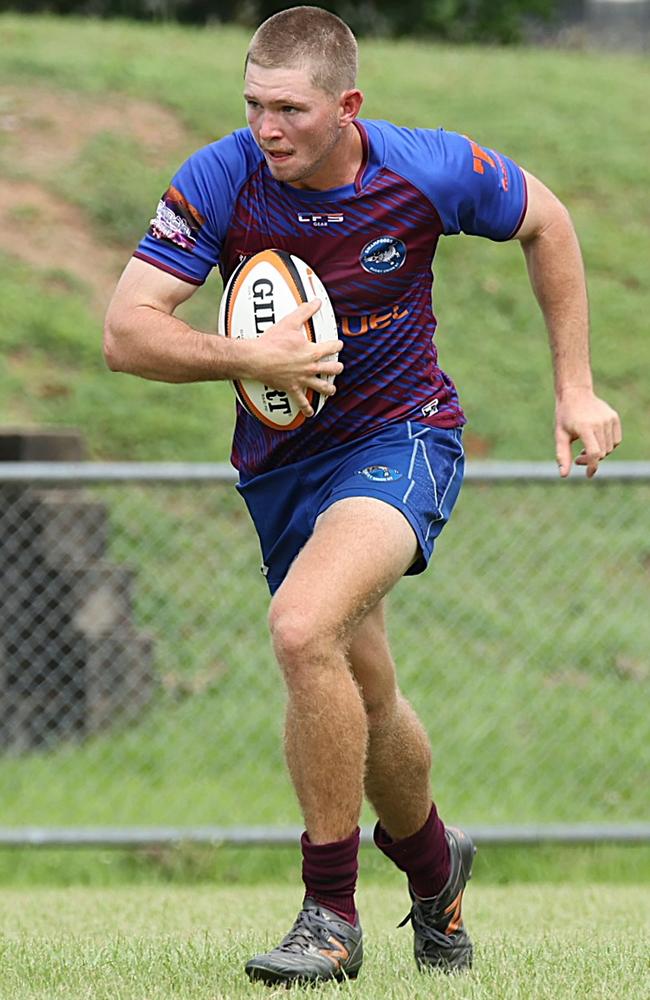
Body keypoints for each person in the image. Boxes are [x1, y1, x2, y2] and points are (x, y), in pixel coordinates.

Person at [103, 5, 622, 987]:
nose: (267, 128)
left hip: (404, 440)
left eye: (289, 109)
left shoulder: (422, 169)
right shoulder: (222, 176)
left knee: (302, 628)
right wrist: (246, 354)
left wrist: (572, 385)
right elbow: (126, 330)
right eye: (253, 104)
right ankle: (435, 869)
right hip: (283, 469)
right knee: (365, 691)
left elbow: (544, 220)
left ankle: (328, 914)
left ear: (347, 105)